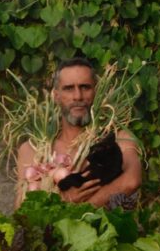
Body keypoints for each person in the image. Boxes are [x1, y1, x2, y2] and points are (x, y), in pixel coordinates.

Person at [15, 57, 142, 209]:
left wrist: (79, 207)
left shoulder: (117, 138)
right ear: (56, 96)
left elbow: (131, 181)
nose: (78, 96)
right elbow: (21, 209)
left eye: (85, 87)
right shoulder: (33, 150)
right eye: (69, 88)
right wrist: (65, 198)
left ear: (96, 91)